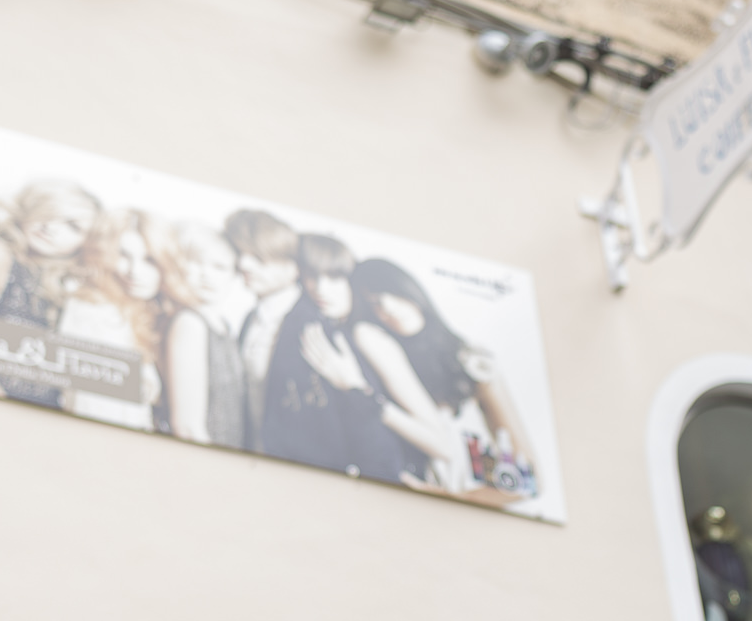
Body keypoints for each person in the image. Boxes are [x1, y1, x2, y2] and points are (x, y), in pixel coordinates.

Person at [335, 258, 538, 505]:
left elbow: (529, 480)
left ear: (408, 288)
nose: (387, 308)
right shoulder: (379, 353)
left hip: (463, 505)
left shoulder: (471, 360)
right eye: (375, 303)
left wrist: (447, 496)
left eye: (391, 293)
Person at [261, 235, 422, 479]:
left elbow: (441, 444)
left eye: (335, 277)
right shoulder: (329, 329)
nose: (321, 289)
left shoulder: (367, 335)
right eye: (311, 276)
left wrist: (356, 387)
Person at [0, 179, 102, 405]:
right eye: (48, 212)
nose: (51, 227)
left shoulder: (59, 281)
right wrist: (8, 416)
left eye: (73, 227)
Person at [60, 209, 176, 431]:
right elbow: (93, 412)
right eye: (123, 255)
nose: (135, 271)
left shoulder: (131, 309)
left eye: (149, 259)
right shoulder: (96, 312)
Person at [164, 222, 247, 448]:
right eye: (196, 263)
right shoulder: (190, 323)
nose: (207, 275)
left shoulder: (225, 326)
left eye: (219, 267)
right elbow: (187, 426)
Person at [225, 209, 301, 449]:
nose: (243, 264)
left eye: (258, 256)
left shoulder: (311, 321)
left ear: (292, 266)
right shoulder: (251, 319)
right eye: (240, 253)